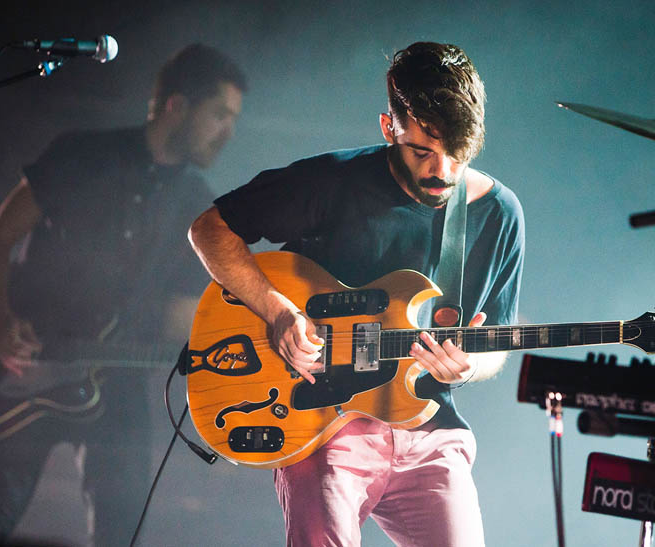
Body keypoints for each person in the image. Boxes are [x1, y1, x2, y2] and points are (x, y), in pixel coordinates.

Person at [188, 41, 524, 546]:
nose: (444, 172)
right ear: (389, 128)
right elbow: (210, 230)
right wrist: (277, 312)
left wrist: (470, 365)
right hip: (324, 422)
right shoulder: (332, 180)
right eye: (422, 151)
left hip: (430, 429)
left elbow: (494, 340)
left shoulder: (499, 213)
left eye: (458, 154)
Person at [0, 43, 246, 546]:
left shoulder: (200, 210)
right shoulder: (81, 153)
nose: (229, 131)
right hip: (29, 360)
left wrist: (242, 352)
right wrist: (2, 324)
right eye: (220, 114)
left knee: (121, 528)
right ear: (176, 105)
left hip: (116, 383)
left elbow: (182, 322)